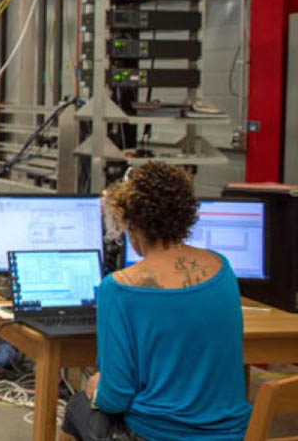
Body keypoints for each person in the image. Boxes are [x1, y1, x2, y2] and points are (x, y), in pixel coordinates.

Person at [61, 162, 252, 441]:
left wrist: (97, 388)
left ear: (131, 222)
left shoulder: (119, 289)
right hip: (230, 435)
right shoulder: (222, 268)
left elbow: (115, 398)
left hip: (156, 435)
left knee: (77, 406)